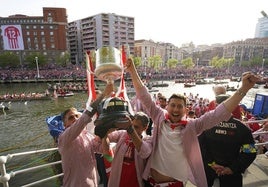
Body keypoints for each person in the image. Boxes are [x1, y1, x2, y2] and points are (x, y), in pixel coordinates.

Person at [125, 58, 261, 187]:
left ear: (186, 110)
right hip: (153, 180)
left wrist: (244, 89)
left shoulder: (194, 126)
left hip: (194, 178)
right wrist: (132, 70)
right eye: (173, 105)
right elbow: (144, 95)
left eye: (180, 106)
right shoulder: (159, 117)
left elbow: (217, 116)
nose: (175, 109)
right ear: (166, 106)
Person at [57, 83, 113, 187]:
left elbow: (103, 150)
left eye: (77, 116)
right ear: (65, 125)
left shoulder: (87, 136)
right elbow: (84, 119)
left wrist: (105, 132)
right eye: (71, 118)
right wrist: (103, 94)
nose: (75, 119)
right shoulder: (64, 138)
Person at [198, 94, 257, 187]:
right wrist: (232, 168)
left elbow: (200, 147)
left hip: (209, 169)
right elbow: (250, 152)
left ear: (216, 106)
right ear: (233, 106)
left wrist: (212, 163)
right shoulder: (242, 128)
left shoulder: (205, 125)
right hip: (231, 171)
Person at [102, 111, 152, 187]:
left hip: (135, 183)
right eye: (132, 125)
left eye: (136, 127)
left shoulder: (148, 140)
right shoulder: (123, 134)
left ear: (145, 128)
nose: (131, 129)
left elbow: (144, 152)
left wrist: (130, 129)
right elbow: (107, 137)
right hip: (117, 181)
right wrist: (107, 128)